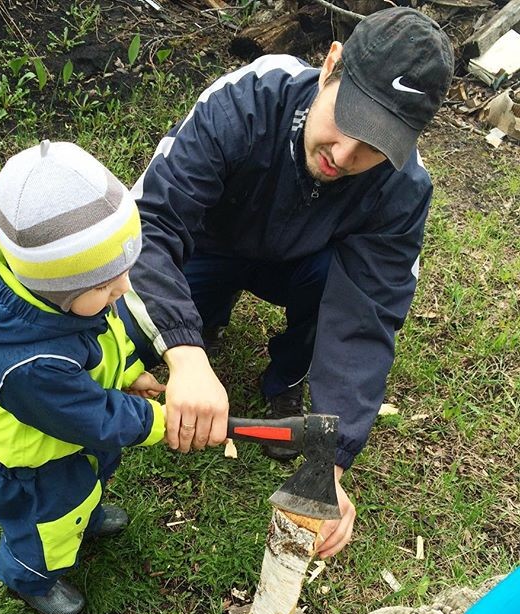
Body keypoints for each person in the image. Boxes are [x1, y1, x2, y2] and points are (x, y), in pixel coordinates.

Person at [117, 7, 455, 558]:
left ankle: (286, 382)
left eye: (373, 146)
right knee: (125, 332)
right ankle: (201, 322)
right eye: (348, 123)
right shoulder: (249, 97)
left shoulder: (404, 187)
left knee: (333, 291)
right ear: (331, 66)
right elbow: (149, 224)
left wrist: (332, 460)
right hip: (210, 241)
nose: (344, 156)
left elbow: (366, 318)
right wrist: (185, 354)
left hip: (306, 263)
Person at [0, 140, 167, 614]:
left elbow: (102, 338)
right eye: (106, 285)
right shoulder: (27, 364)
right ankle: (28, 577)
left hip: (70, 442)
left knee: (88, 485)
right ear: (57, 290)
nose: (123, 289)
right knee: (46, 524)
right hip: (33, 463)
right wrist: (157, 422)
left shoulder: (64, 303)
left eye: (122, 272)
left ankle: (85, 517)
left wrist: (128, 370)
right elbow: (91, 416)